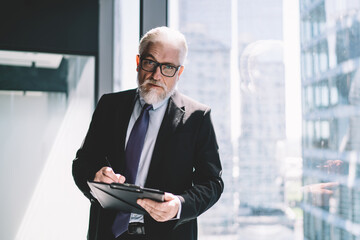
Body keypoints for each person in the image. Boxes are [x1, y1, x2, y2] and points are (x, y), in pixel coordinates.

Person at [72, 26, 223, 240]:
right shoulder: (109, 106)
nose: (156, 75)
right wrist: (95, 176)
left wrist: (178, 206)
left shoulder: (197, 118)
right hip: (108, 233)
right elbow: (82, 162)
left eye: (168, 67)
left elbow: (212, 183)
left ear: (179, 73)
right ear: (138, 62)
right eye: (150, 62)